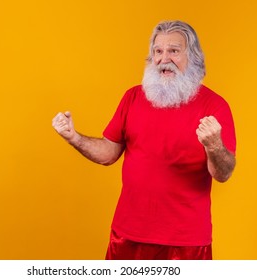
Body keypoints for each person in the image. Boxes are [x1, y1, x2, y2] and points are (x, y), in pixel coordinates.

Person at [52, 20, 236, 260]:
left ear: (192, 57)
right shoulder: (133, 97)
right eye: (158, 51)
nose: (164, 58)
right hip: (127, 236)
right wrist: (74, 138)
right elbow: (108, 153)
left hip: (186, 242)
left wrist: (214, 145)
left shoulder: (215, 106)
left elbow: (223, 173)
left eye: (173, 51)